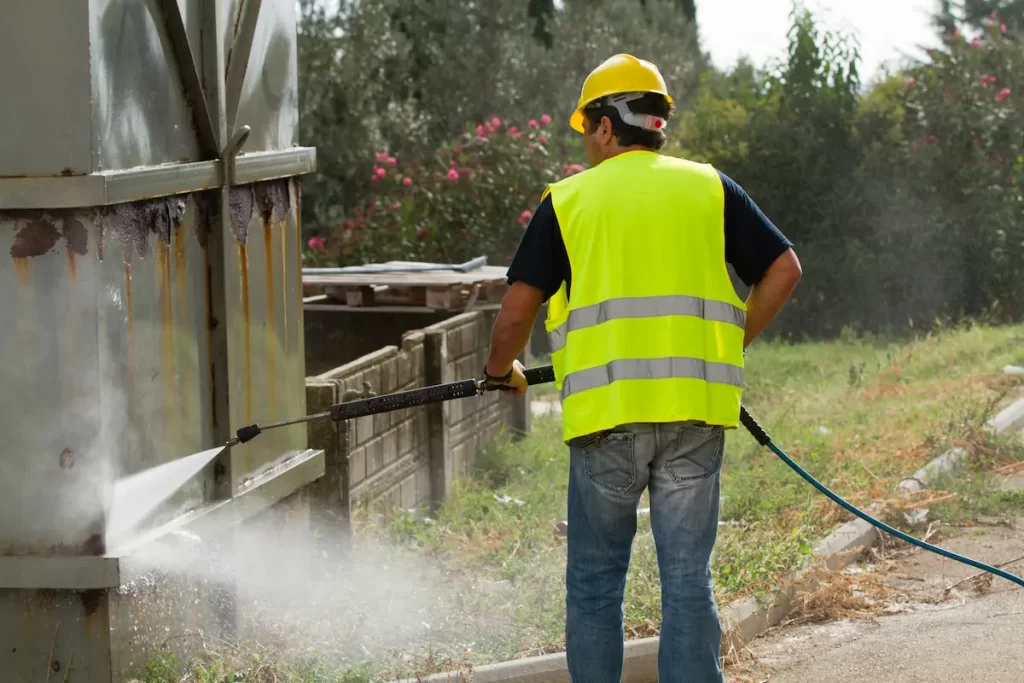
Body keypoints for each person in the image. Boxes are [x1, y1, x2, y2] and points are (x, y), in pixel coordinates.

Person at [481, 54, 802, 682]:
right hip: (694, 416)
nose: (584, 142)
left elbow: (516, 312)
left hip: (607, 423)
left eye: (585, 128)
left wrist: (500, 372)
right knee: (688, 581)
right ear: (654, 122)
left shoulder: (569, 201)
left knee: (597, 584)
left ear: (606, 126)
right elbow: (784, 269)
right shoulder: (710, 187)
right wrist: (728, 346)